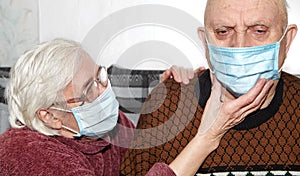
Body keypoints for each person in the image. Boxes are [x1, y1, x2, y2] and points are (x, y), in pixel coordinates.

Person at [0, 38, 270, 175]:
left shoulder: (107, 126)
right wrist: (208, 137)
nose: (103, 90)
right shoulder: (26, 155)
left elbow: (143, 163)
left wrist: (165, 95)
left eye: (100, 76)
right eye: (87, 89)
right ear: (50, 116)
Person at [120, 0, 299, 175]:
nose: (239, 46)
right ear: (205, 42)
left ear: (287, 40)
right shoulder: (167, 105)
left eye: (259, 30)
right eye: (223, 31)